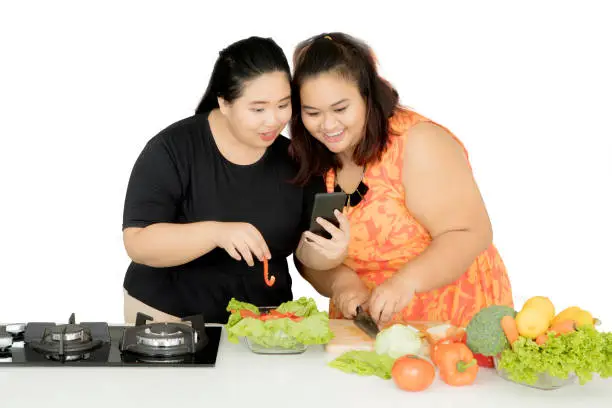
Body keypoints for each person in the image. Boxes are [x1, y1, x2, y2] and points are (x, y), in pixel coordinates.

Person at [289, 32, 513, 328]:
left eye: (341, 109)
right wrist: (342, 283)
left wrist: (406, 282)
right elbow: (308, 255)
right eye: (312, 112)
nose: (328, 125)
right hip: (366, 328)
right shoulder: (310, 155)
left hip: (455, 320)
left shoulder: (417, 143)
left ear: (367, 95)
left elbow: (470, 232)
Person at [121, 36, 349, 324]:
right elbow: (138, 243)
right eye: (258, 109)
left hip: (264, 321)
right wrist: (216, 233)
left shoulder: (297, 159)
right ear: (224, 103)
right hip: (168, 316)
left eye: (283, 105)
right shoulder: (171, 150)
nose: (273, 120)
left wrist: (329, 254)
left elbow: (307, 258)